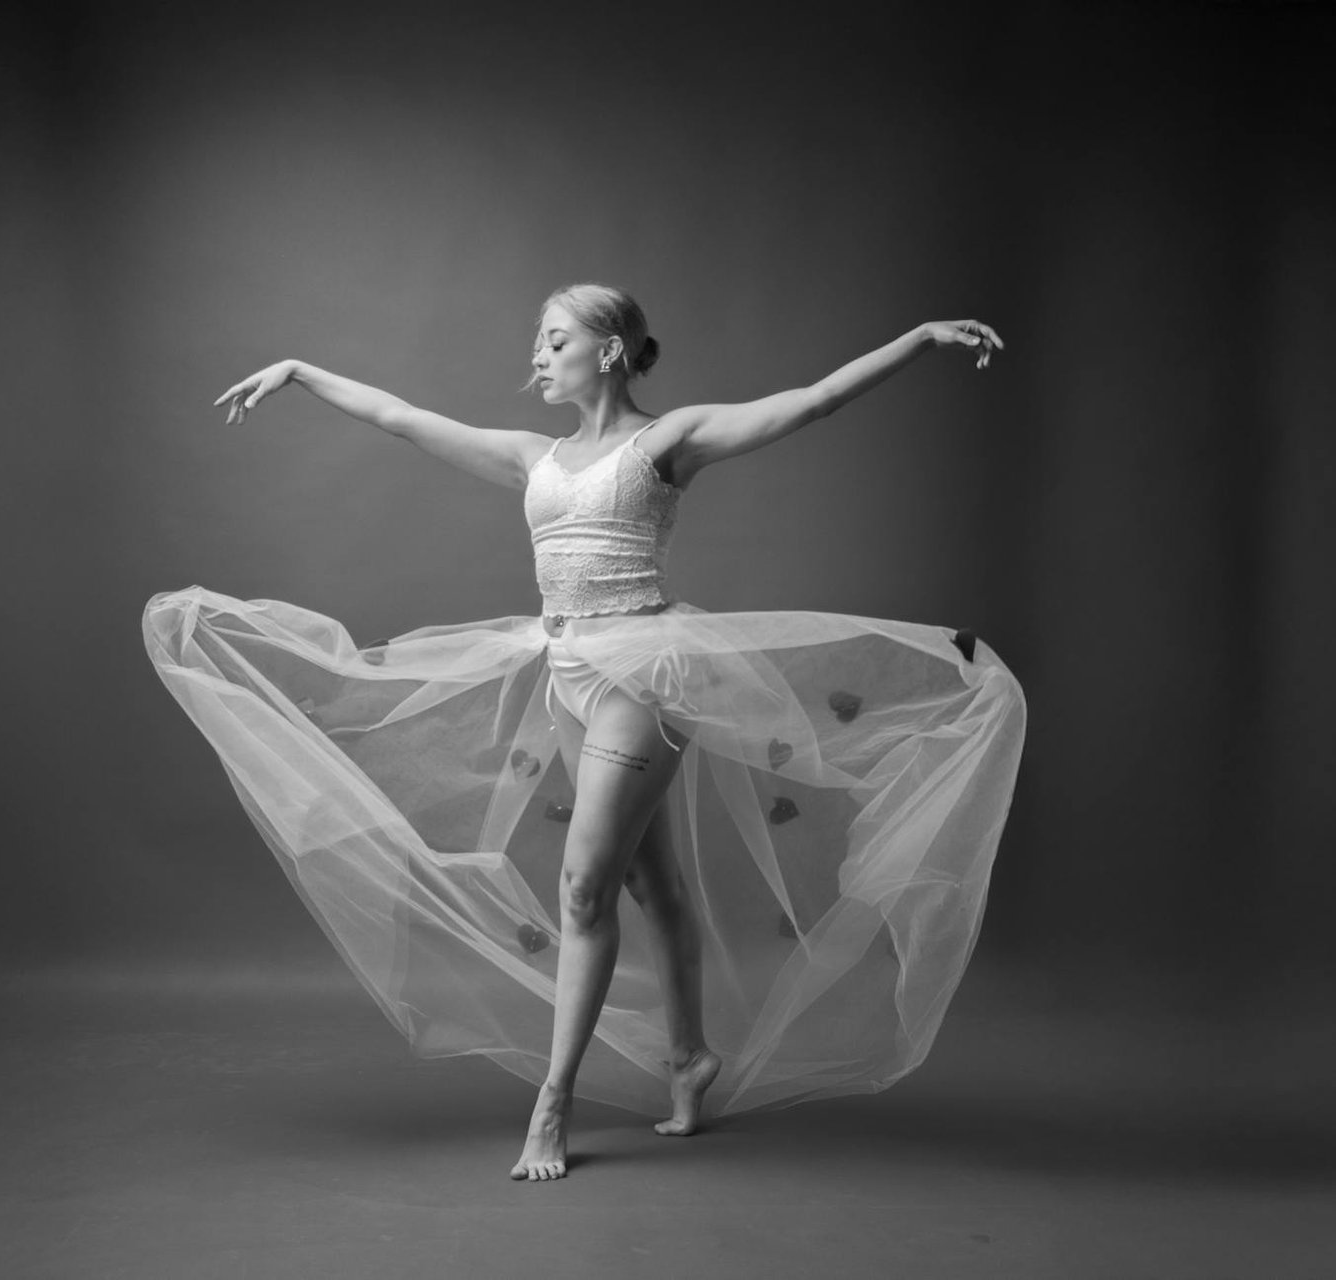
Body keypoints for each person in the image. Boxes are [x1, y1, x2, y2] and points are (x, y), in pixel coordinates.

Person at [143, 283, 1024, 1183]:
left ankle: (552, 1103)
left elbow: (810, 403)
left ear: (608, 351)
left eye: (553, 340)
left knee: (580, 887)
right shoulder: (536, 456)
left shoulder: (666, 443)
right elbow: (402, 416)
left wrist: (918, 337)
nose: (536, 356)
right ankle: (689, 1059)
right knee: (651, 882)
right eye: (538, 340)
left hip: (642, 674)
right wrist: (298, 370)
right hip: (563, 671)